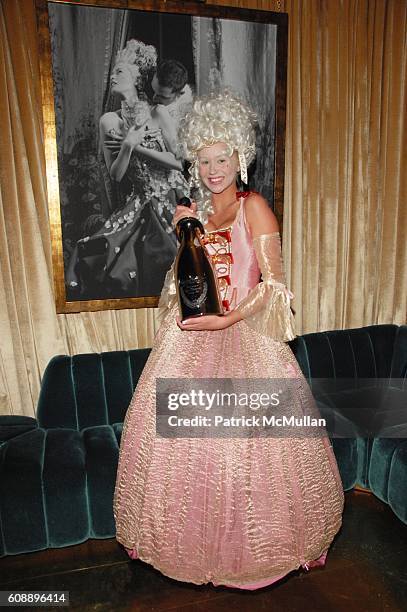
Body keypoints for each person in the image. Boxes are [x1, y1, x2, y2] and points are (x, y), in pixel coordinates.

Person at [114, 91, 344, 589]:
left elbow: (275, 288)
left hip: (247, 342)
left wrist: (227, 320)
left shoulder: (254, 207)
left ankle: (252, 552)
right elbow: (187, 285)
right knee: (184, 455)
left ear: (241, 158)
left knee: (245, 460)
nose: (214, 168)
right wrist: (186, 234)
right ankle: (194, 549)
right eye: (205, 158)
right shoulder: (194, 212)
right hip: (192, 344)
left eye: (224, 157)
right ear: (194, 160)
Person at [65, 41, 190, 299]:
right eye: (113, 71)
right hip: (138, 202)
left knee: (170, 258)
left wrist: (136, 147)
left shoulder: (159, 112)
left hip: (171, 200)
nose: (113, 75)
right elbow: (116, 175)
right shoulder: (109, 120)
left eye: (120, 71)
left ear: (137, 78)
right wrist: (126, 147)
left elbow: (180, 163)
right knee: (100, 256)